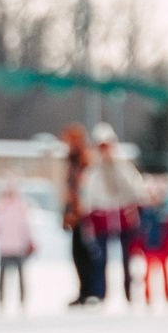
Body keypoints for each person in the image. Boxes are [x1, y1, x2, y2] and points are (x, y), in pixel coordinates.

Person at [82, 123, 144, 305]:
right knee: (101, 259)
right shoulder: (93, 171)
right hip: (102, 219)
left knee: (127, 257)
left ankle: (129, 291)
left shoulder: (123, 167)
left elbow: (136, 189)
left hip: (123, 217)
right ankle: (100, 293)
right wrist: (89, 220)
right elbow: (89, 197)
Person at [60, 124, 99, 306]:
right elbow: (69, 191)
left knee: (86, 254)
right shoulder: (71, 162)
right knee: (77, 254)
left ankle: (92, 291)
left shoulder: (85, 161)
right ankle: (83, 290)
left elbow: (84, 189)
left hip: (85, 214)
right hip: (75, 215)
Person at [0, 177, 37, 311]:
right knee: (2, 278)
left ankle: (22, 300)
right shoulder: (0, 208)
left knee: (21, 277)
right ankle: (1, 300)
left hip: (18, 248)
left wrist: (31, 241)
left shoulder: (21, 207)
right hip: (5, 249)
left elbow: (26, 227)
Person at [132, 174, 168, 306]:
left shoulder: (166, 213)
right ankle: (147, 297)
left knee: (164, 272)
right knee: (147, 273)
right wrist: (137, 247)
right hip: (148, 247)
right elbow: (139, 232)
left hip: (161, 247)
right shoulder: (143, 213)